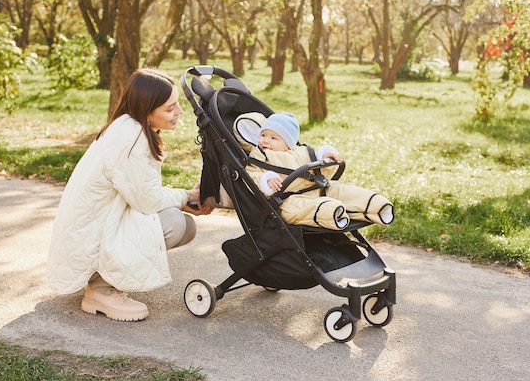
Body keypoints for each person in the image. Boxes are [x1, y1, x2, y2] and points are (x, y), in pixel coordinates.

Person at [47, 68, 213, 322]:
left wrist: (185, 198)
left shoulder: (130, 127)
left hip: (100, 224)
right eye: (170, 108)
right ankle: (100, 289)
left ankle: (102, 279)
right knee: (177, 224)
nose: (179, 112)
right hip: (91, 235)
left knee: (182, 224)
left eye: (177, 104)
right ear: (147, 110)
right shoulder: (130, 139)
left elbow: (142, 191)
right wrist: (185, 197)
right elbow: (147, 201)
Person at [235, 112, 394, 230]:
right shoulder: (260, 155)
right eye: (263, 135)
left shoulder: (301, 151)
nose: (265, 140)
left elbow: (321, 169)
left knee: (341, 190)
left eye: (273, 138)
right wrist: (266, 180)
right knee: (304, 207)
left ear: (288, 143)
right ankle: (334, 213)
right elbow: (251, 174)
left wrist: (326, 157)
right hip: (286, 200)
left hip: (316, 190)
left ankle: (376, 206)